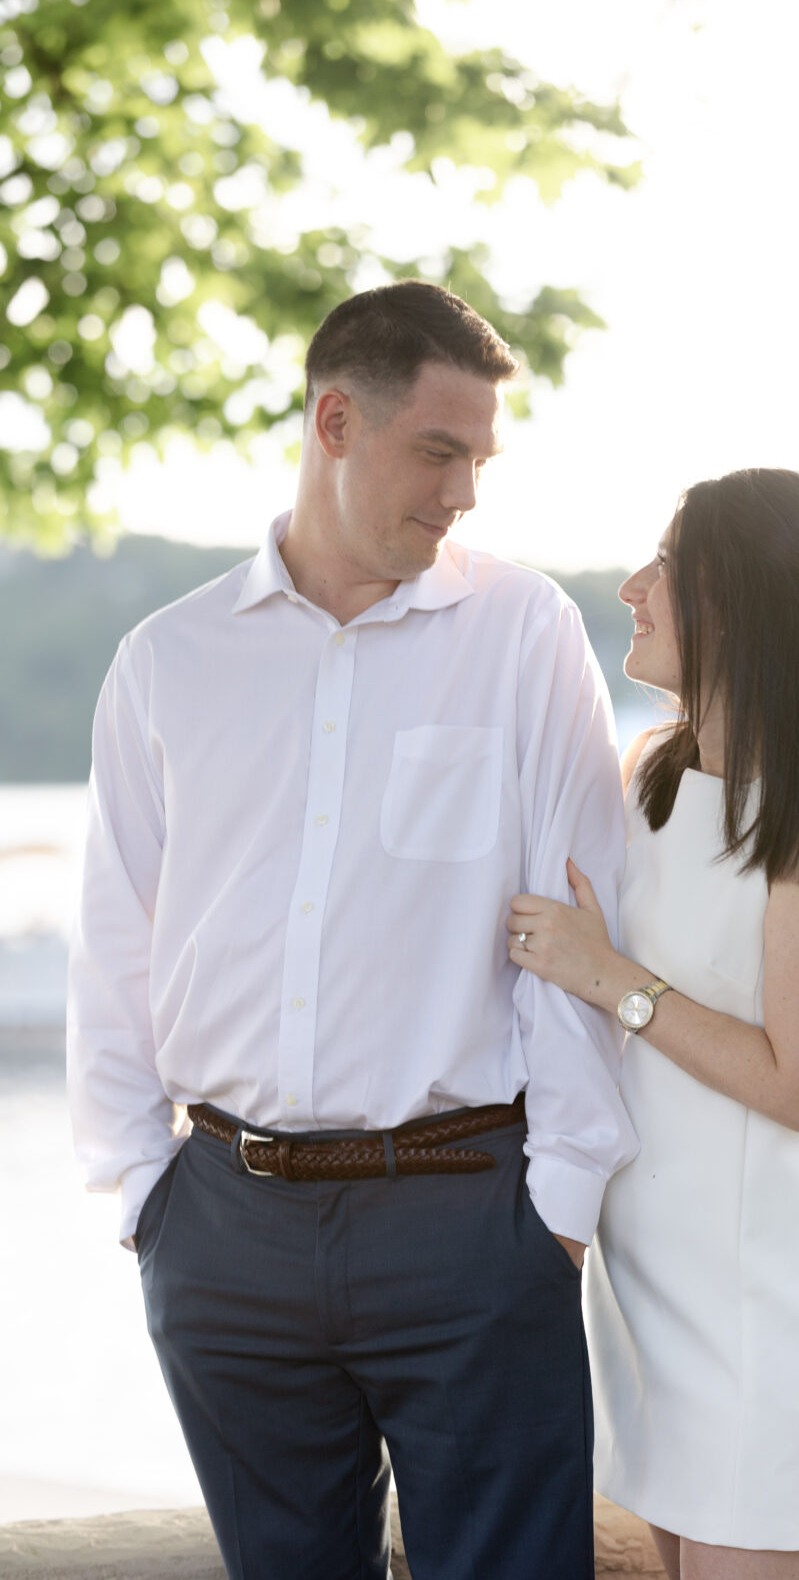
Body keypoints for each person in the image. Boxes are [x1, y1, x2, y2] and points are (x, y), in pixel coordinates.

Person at [67, 280, 639, 1580]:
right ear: (335, 419)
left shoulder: (522, 634)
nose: (464, 494)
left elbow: (577, 921)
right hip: (222, 1233)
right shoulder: (170, 660)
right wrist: (145, 1198)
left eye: (479, 460)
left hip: (469, 1224)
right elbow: (119, 942)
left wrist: (556, 1207)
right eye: (439, 452)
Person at [506, 468, 799, 1580]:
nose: (632, 586)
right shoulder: (649, 778)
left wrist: (609, 977)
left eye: (666, 569)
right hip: (650, 1297)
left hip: (764, 1315)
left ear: (738, 605)